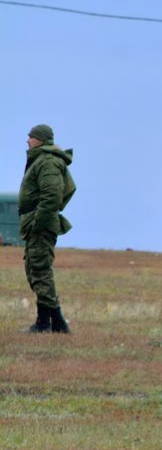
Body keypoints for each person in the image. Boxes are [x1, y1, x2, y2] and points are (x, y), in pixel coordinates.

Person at [19, 124, 75, 334]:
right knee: (34, 269)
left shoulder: (48, 162)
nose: (27, 140)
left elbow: (51, 196)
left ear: (41, 139)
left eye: (31, 136)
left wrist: (37, 223)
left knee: (40, 270)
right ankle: (52, 322)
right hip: (37, 223)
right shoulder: (41, 160)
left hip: (41, 225)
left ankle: (50, 323)